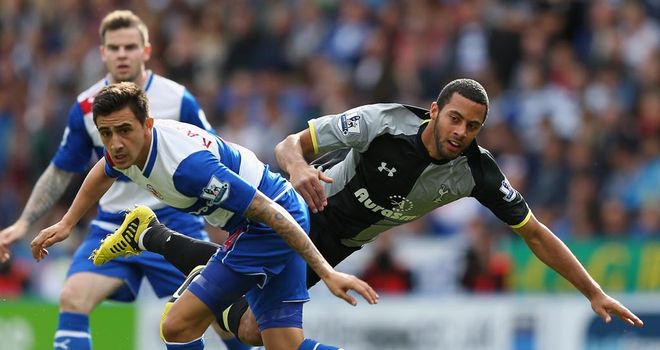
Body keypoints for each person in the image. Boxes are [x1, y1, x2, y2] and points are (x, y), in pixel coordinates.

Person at [109, 78, 644, 347]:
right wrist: (298, 167)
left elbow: (535, 233)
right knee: (247, 337)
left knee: (249, 331)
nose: (460, 133)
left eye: (472, 127)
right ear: (435, 110)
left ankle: (154, 237)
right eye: (454, 118)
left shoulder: (477, 172)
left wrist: (593, 291)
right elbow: (290, 144)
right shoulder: (384, 121)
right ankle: (165, 244)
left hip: (338, 246)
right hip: (294, 215)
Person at [30, 82, 379, 350]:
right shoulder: (126, 152)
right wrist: (67, 222)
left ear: (147, 124)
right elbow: (102, 171)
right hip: (274, 216)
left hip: (268, 224)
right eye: (106, 134)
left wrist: (326, 272)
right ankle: (151, 235)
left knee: (177, 326)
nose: (115, 143)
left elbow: (269, 212)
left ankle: (151, 236)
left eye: (124, 130)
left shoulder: (188, 169)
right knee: (277, 343)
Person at [0, 10, 247, 350]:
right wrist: (24, 222)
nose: (122, 54)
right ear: (102, 53)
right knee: (72, 297)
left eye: (130, 46)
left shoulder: (177, 98)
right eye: (114, 47)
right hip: (111, 225)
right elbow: (62, 169)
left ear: (146, 51)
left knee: (222, 317)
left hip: (173, 221)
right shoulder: (86, 106)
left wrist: (232, 214)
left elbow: (217, 154)